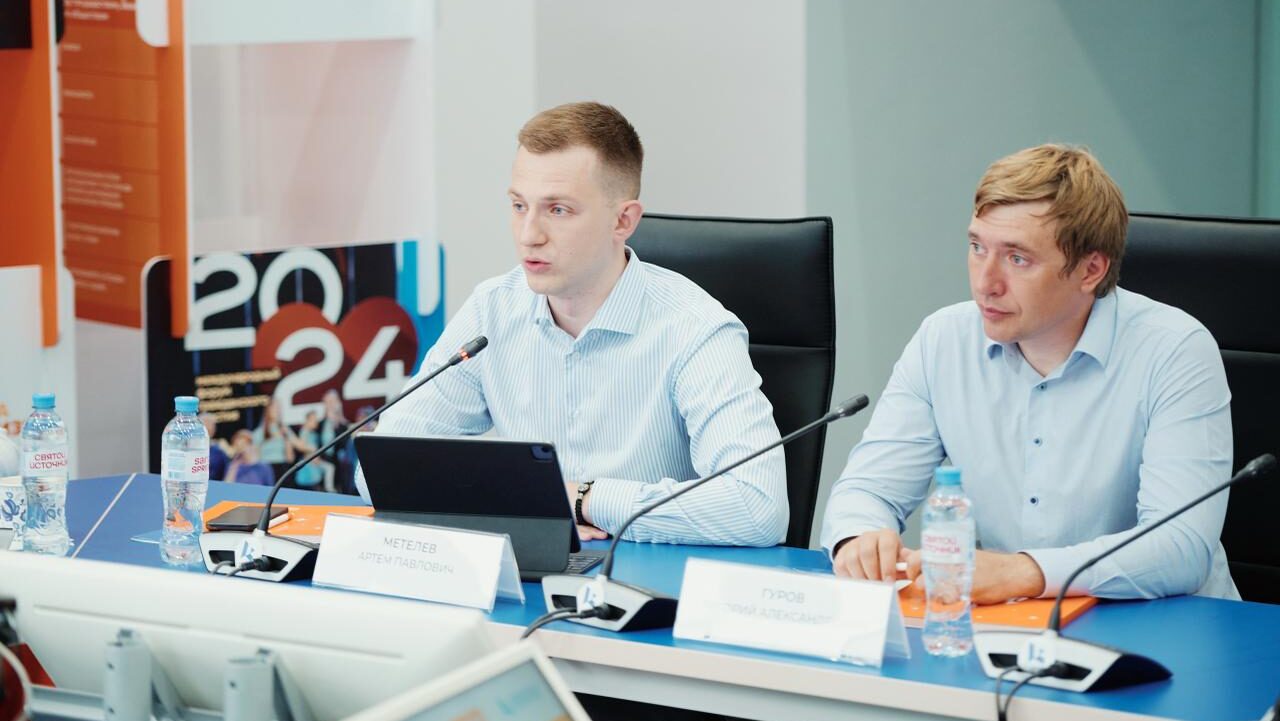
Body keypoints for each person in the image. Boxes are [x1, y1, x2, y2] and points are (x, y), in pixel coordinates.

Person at [356, 101, 786, 546]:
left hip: (649, 572)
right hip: (531, 568)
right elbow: (382, 470)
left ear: (623, 220)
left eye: (558, 210)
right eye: (519, 206)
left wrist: (580, 498)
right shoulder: (492, 309)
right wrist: (525, 500)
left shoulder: (694, 329)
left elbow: (758, 508)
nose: (529, 235)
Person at [822, 144, 1237, 603]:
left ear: (1090, 270)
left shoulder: (1174, 350)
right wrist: (860, 538)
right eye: (977, 248)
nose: (985, 283)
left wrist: (1024, 572)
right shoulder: (943, 340)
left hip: (1166, 624)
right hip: (1010, 624)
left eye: (1017, 259)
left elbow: (1179, 547)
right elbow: (868, 490)